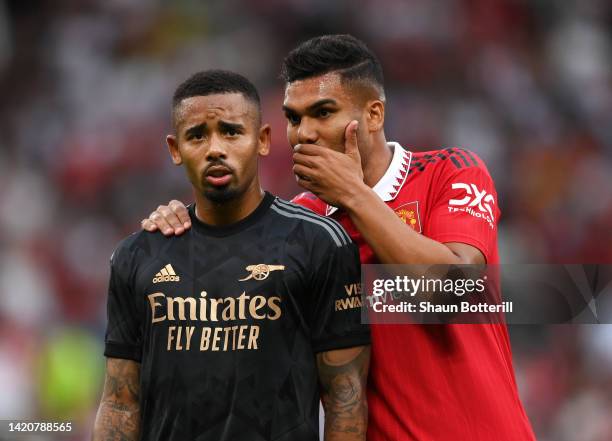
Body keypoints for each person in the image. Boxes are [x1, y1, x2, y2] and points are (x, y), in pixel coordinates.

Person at [142, 36, 536, 440]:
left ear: (374, 114)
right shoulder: (299, 225)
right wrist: (183, 230)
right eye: (293, 119)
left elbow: (455, 291)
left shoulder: (448, 172)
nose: (304, 134)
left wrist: (353, 195)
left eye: (323, 112)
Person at [93, 69, 370, 441]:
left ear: (263, 140)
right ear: (175, 150)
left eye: (231, 131)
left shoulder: (318, 243)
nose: (215, 149)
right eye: (197, 136)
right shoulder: (137, 254)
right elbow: (119, 404)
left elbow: (345, 401)